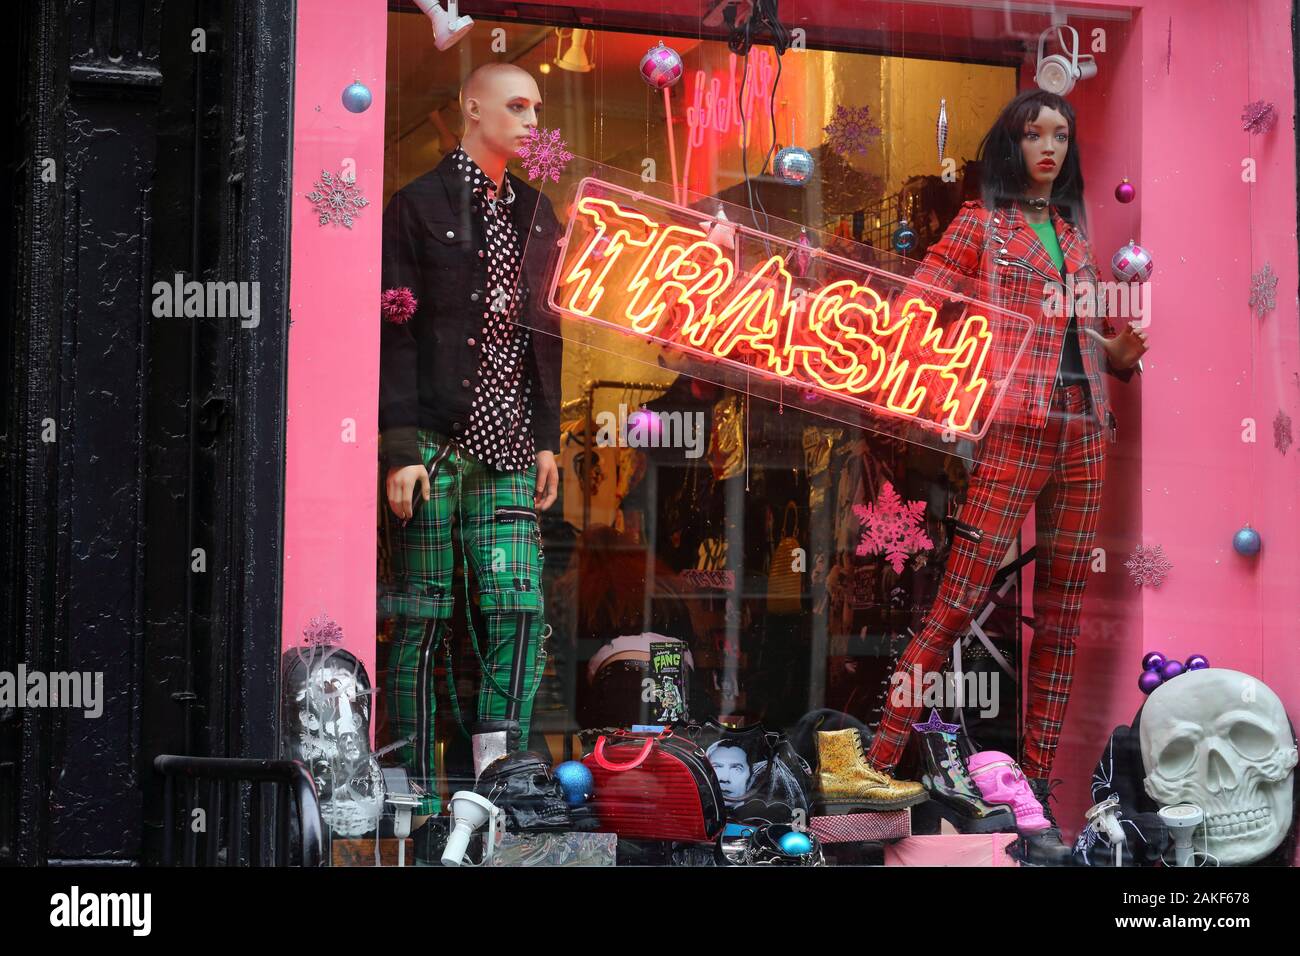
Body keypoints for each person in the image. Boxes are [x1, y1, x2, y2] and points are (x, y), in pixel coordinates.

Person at [860, 90, 1149, 860]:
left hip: (1085, 431)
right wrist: (950, 379)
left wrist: (1116, 356)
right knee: (958, 599)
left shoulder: (1074, 234)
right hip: (1016, 427)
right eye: (1033, 135)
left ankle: (1036, 792)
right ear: (1008, 146)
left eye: (1060, 134)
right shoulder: (981, 226)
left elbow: (1080, 330)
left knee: (1063, 615)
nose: (1048, 147)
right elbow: (919, 304)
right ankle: (876, 762)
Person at [379, 62, 563, 829]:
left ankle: (501, 772)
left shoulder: (536, 211)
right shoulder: (417, 204)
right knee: (424, 611)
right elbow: (393, 326)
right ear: (472, 107)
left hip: (512, 441)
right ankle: (414, 781)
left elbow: (548, 329)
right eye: (516, 106)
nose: (530, 120)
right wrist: (396, 446)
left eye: (536, 108)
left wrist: (549, 438)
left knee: (518, 608)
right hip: (434, 433)